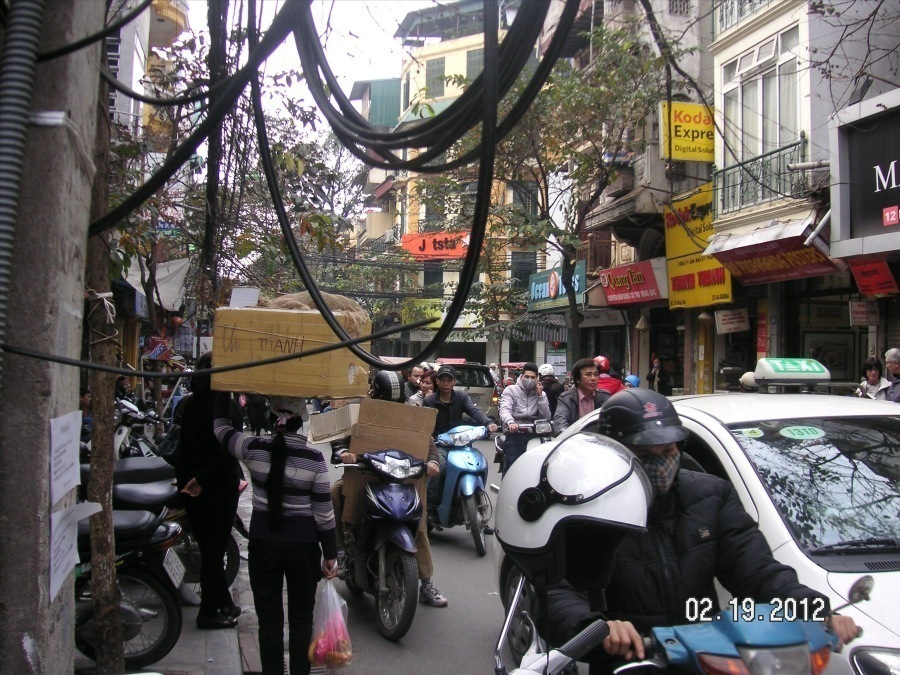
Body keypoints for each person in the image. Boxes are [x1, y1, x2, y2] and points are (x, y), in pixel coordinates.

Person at [543, 389, 860, 672]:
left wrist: (817, 610)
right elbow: (559, 591)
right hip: (630, 663)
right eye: (644, 456)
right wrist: (597, 629)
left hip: (708, 659)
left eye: (668, 452)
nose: (661, 466)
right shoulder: (586, 511)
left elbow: (758, 572)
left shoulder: (711, 496)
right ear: (615, 454)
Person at [211, 392, 337, 675]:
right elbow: (324, 514)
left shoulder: (253, 449)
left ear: (270, 419)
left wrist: (223, 391)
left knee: (268, 623)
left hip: (263, 547)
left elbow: (220, 429)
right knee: (302, 621)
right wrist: (330, 554)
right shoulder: (314, 458)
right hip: (304, 550)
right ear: (300, 423)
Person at [331, 370, 448, 608]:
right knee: (335, 492)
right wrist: (343, 452)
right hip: (366, 475)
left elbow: (427, 442)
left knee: (420, 525)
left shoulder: (409, 414)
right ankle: (342, 550)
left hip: (403, 479)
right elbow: (340, 437)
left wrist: (434, 461)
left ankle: (426, 583)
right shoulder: (361, 411)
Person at [175, 352, 243, 630]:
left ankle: (223, 602)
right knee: (214, 552)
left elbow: (183, 448)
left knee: (209, 547)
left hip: (192, 489)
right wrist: (202, 480)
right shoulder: (226, 406)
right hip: (217, 487)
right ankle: (208, 613)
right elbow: (228, 452)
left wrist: (192, 481)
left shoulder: (189, 404)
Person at [423, 365, 497, 522]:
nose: (445, 383)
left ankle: (479, 509)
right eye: (442, 379)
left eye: (449, 380)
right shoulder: (429, 401)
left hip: (461, 445)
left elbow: (474, 411)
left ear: (454, 382)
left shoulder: (461, 397)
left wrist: (488, 422)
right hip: (439, 445)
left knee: (479, 464)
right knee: (440, 467)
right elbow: (424, 424)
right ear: (437, 381)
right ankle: (429, 507)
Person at [498, 362, 551, 475]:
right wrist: (511, 422)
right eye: (527, 377)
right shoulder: (511, 390)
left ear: (537, 379)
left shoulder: (541, 394)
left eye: (532, 377)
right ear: (521, 377)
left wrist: (540, 396)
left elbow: (546, 416)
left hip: (534, 434)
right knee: (512, 464)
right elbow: (505, 409)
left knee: (541, 467)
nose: (529, 379)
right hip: (515, 433)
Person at [552, 358, 612, 435]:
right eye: (588, 374)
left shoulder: (605, 397)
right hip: (574, 443)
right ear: (577, 379)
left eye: (596, 374)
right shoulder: (566, 398)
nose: (593, 378)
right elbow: (560, 425)